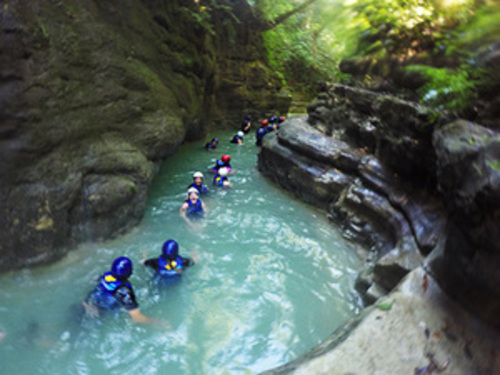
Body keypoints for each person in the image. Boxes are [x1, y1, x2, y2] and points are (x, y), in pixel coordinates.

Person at [82, 257, 156, 324]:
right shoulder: (123, 291)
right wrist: (158, 323)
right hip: (98, 315)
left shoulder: (106, 275)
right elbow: (137, 318)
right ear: (129, 272)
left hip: (85, 304)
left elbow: (95, 283)